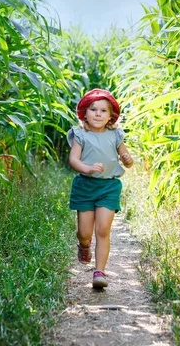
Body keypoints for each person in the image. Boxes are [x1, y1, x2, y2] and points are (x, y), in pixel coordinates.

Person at [67, 88, 134, 288]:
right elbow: (73, 160)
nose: (98, 114)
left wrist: (128, 160)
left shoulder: (115, 135)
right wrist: (87, 168)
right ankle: (84, 245)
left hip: (108, 186)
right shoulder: (81, 134)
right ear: (84, 114)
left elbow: (125, 157)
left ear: (111, 116)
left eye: (103, 111)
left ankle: (99, 272)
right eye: (93, 109)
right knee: (85, 232)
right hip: (86, 186)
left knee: (103, 229)